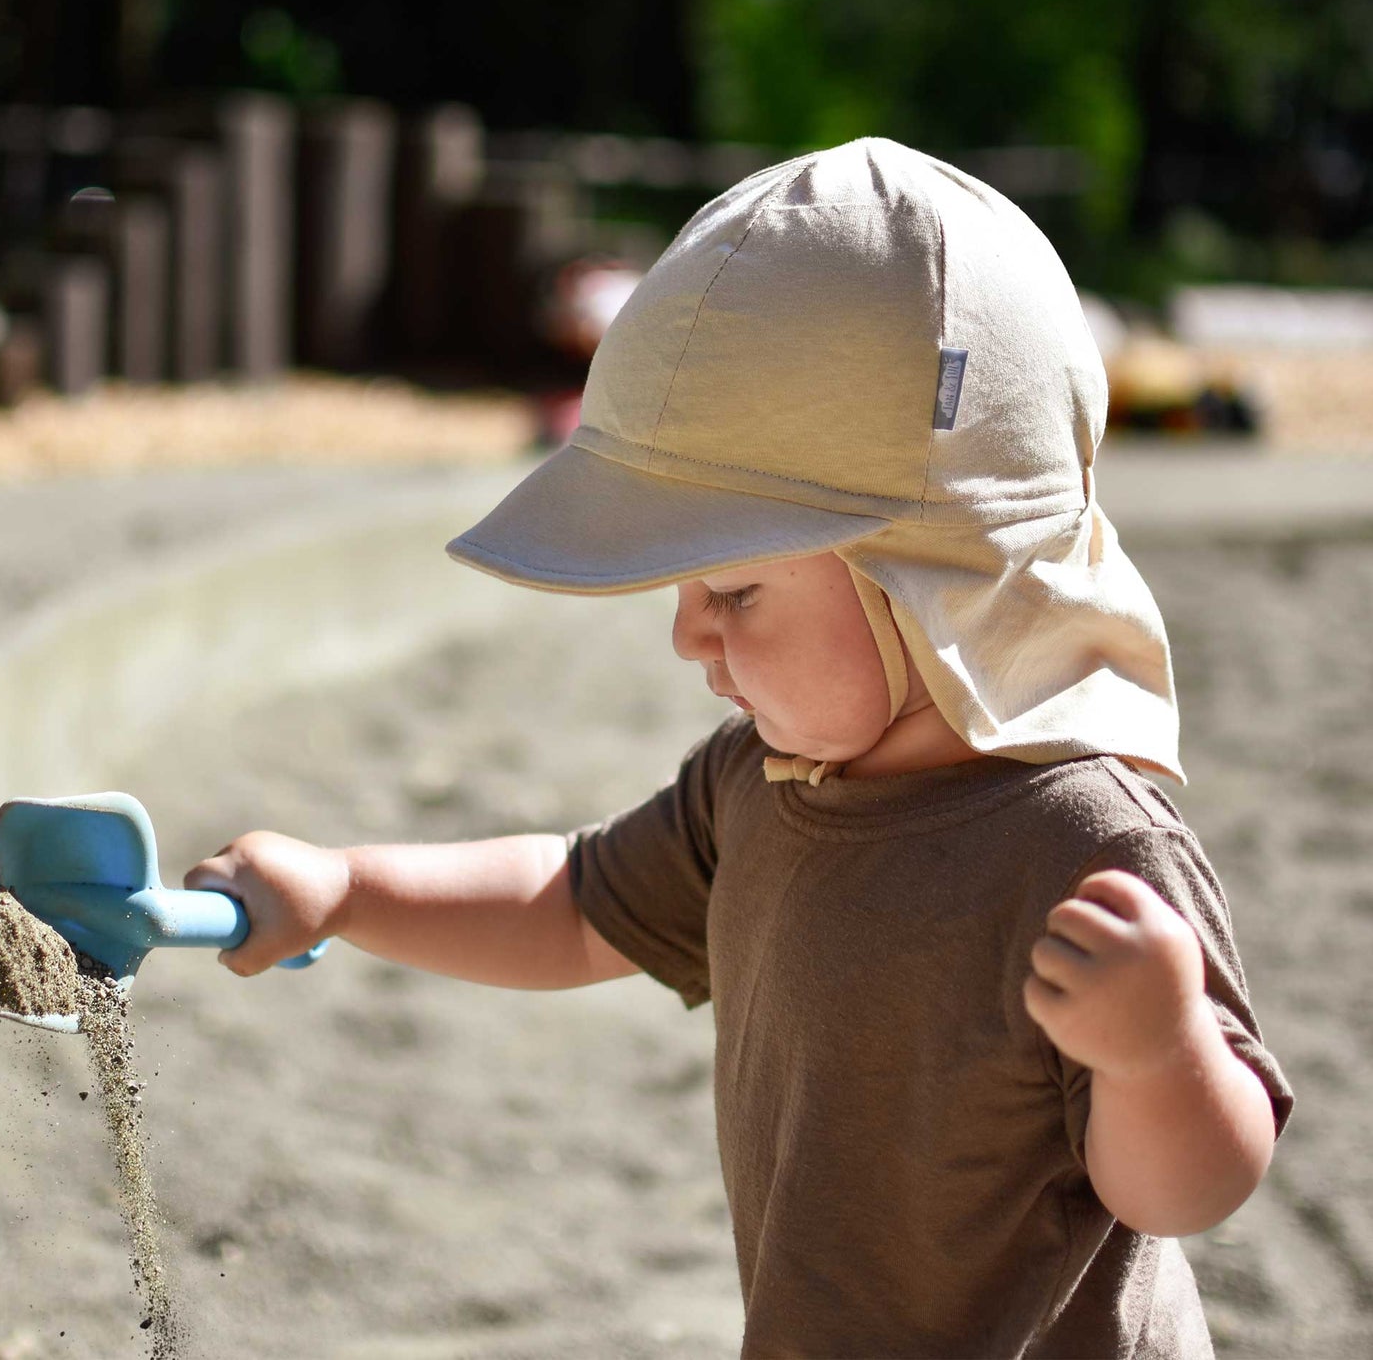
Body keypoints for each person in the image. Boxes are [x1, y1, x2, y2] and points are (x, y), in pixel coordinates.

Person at [186, 138, 1293, 1357]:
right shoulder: (761, 782)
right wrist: (346, 889)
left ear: (918, 578)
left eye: (734, 589)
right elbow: (573, 902)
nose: (686, 635)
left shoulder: (1080, 841)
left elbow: (1185, 1190)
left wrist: (1157, 1050)